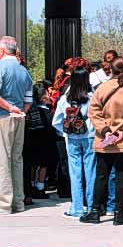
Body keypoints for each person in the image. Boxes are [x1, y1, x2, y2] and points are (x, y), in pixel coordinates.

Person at [80, 57, 123, 225]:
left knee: (101, 175)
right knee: (122, 176)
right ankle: (119, 213)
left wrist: (106, 131)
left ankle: (95, 211)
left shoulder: (102, 89)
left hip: (105, 140)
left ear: (110, 69)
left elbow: (93, 112)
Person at [52, 67, 96, 219]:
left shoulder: (65, 99)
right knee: (91, 172)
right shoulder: (92, 97)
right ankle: (92, 207)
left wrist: (66, 131)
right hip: (90, 136)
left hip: (72, 139)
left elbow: (56, 121)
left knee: (75, 173)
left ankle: (76, 208)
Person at [0, 36, 33, 215]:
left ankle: (4, 204)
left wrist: (9, 106)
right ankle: (18, 201)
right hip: (20, 117)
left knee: (3, 160)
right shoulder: (24, 71)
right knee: (17, 159)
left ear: (3, 50)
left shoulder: (1, 68)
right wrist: (21, 110)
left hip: (3, 116)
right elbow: (29, 99)